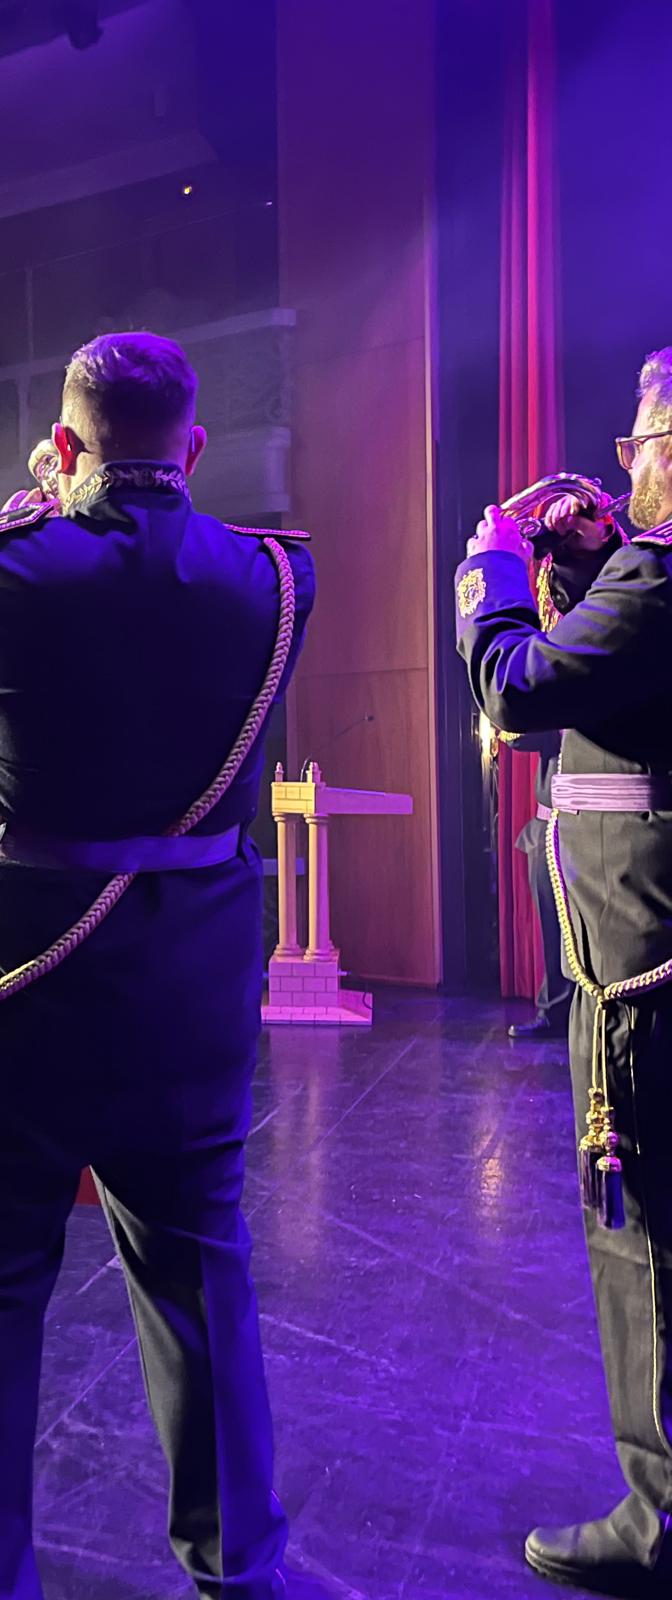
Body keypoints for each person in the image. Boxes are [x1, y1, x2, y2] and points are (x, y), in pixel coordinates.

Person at [0, 331, 314, 1600]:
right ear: (195, 446)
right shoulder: (274, 582)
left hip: (17, 999)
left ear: (64, 445)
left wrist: (34, 509)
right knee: (200, 1276)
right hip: (186, 1000)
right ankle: (240, 1568)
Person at [455, 346, 672, 1597]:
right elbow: (627, 687)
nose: (624, 461)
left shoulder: (664, 570)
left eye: (640, 441)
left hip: (647, 966)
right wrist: (593, 564)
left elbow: (519, 687)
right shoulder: (645, 575)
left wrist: (490, 570)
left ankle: (659, 1521)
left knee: (642, 1242)